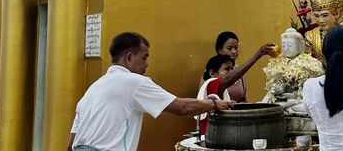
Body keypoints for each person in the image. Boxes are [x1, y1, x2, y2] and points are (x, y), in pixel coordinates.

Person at [67, 31, 233, 151]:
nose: (147, 64)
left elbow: (70, 145)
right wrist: (214, 104)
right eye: (145, 57)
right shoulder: (134, 82)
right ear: (129, 57)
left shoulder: (93, 88)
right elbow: (182, 107)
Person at [208, 31, 275, 102]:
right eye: (229, 48)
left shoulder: (241, 73)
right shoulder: (212, 72)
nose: (234, 52)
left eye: (236, 48)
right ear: (220, 50)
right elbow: (228, 80)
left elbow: (244, 100)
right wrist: (257, 55)